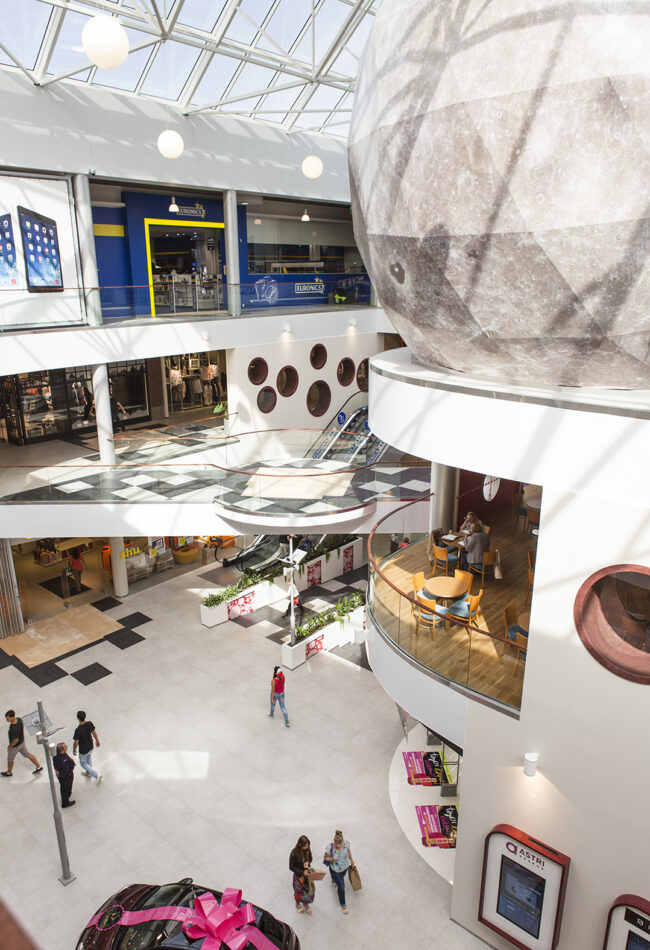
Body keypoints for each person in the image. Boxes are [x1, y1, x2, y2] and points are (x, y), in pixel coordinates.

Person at [2, 710, 42, 777]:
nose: (6, 719)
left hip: (15, 746)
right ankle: (38, 766)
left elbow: (15, 740)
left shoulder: (13, 728)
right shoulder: (19, 719)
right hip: (22, 742)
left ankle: (9, 773)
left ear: (12, 717)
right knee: (28, 754)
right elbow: (22, 726)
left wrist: (10, 746)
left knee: (10, 759)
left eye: (8, 718)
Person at [323, 829, 355, 914]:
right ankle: (343, 904)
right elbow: (326, 858)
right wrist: (332, 858)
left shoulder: (346, 844)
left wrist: (351, 860)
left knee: (340, 878)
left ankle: (334, 880)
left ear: (342, 842)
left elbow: (348, 852)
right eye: (336, 845)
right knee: (341, 887)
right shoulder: (330, 847)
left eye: (339, 844)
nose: (338, 846)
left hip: (344, 868)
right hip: (335, 870)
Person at [73, 710, 102, 784]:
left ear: (78, 718)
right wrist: (97, 740)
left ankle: (95, 775)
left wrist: (74, 750)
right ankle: (88, 773)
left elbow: (76, 742)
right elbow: (94, 732)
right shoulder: (89, 724)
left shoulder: (78, 730)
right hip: (90, 746)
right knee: (89, 758)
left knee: (83, 763)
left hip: (83, 749)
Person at [289, 835, 314, 914]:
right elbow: (291, 867)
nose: (307, 847)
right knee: (298, 891)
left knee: (306, 890)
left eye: (307, 846)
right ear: (300, 845)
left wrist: (308, 862)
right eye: (305, 846)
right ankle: (297, 904)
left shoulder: (307, 850)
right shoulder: (294, 853)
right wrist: (302, 872)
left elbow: (310, 857)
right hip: (299, 875)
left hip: (307, 875)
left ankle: (305, 903)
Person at [52, 742, 75, 808]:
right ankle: (65, 803)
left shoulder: (55, 755)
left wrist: (56, 770)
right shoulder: (64, 760)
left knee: (64, 788)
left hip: (61, 775)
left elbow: (54, 764)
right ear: (62, 751)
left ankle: (67, 796)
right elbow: (66, 769)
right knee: (65, 788)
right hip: (66, 776)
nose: (67, 747)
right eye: (65, 747)